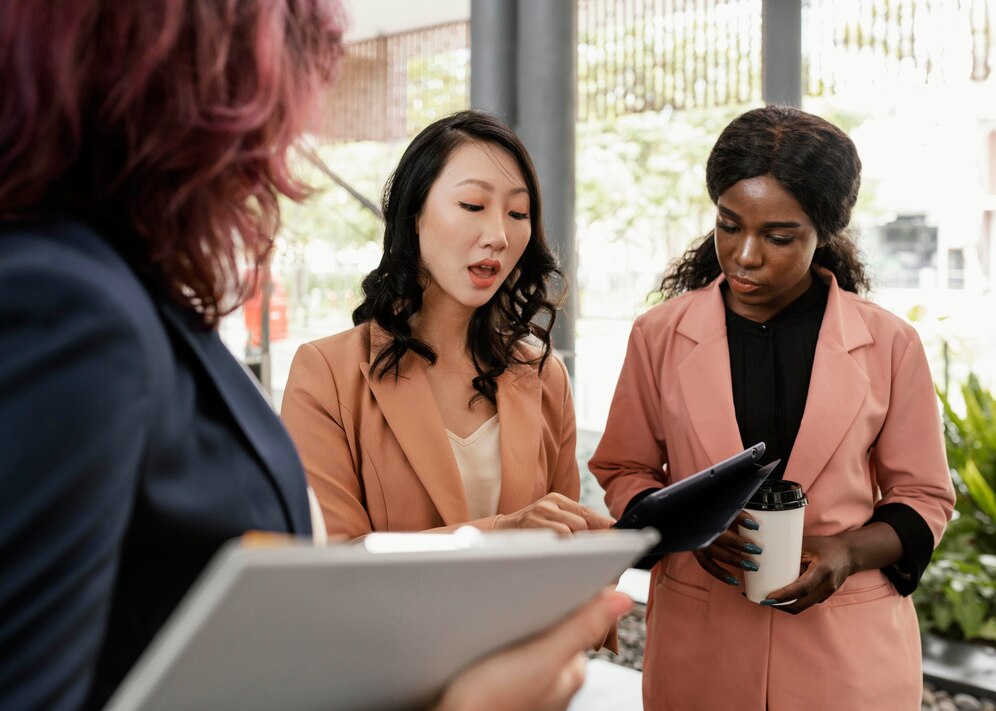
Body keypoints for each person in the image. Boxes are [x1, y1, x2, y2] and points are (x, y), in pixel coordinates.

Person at [0, 3, 629, 709]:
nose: (280, 152)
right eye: (268, 100)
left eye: (518, 213)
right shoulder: (71, 301)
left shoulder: (137, 296)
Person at [589, 105, 955, 710]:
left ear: (823, 232)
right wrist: (690, 531)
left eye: (779, 237)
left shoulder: (890, 344)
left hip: (848, 658)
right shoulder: (658, 336)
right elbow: (623, 470)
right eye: (728, 226)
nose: (745, 255)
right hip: (701, 651)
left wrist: (847, 553)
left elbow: (924, 496)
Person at [281, 110, 613, 538]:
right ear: (414, 214)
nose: (499, 236)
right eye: (472, 205)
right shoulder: (326, 374)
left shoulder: (545, 377)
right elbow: (331, 558)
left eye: (518, 213)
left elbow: (563, 547)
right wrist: (499, 533)